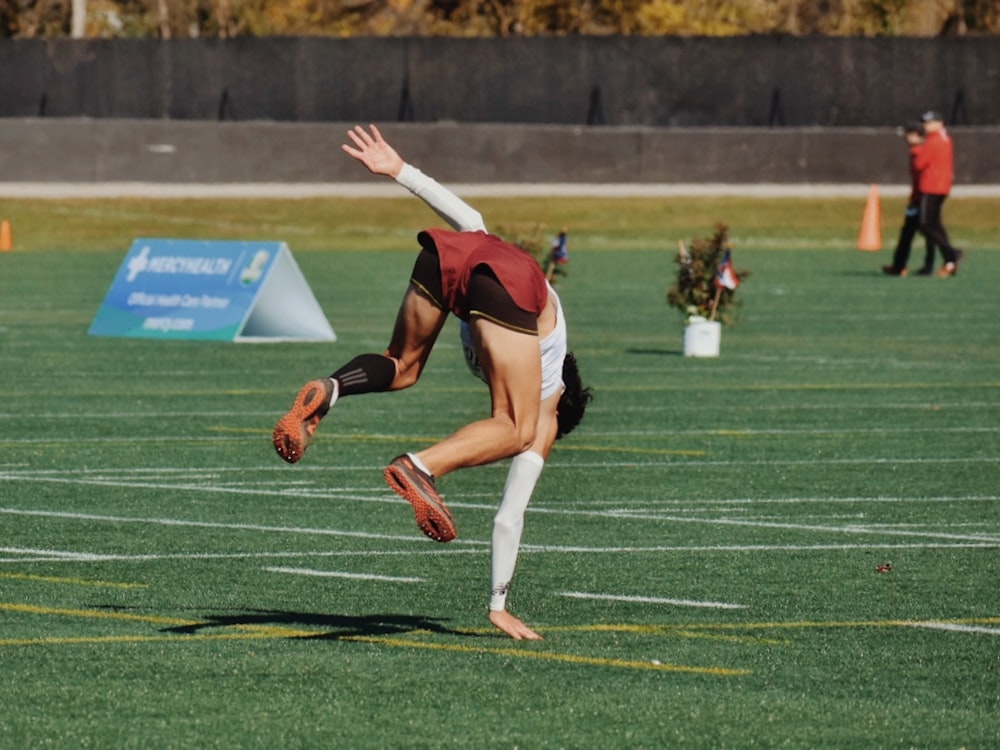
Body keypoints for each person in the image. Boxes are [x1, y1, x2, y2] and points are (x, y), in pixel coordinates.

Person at [272, 124, 592, 640]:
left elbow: (473, 223)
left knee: (401, 365)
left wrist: (399, 170)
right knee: (514, 427)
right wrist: (498, 604)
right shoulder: (547, 408)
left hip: (452, 254)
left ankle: (329, 390)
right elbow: (510, 516)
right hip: (508, 281)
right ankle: (420, 468)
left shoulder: (528, 356)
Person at [912, 111, 963, 278]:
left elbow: (920, 163)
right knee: (935, 225)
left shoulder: (933, 141)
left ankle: (951, 253)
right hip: (941, 187)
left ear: (940, 123)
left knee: (925, 223)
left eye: (929, 123)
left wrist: (917, 147)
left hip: (931, 186)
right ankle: (943, 262)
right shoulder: (945, 139)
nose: (926, 126)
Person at [883, 122, 937, 277]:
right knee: (910, 232)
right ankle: (900, 265)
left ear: (917, 135)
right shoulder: (915, 151)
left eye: (909, 134)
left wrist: (919, 197)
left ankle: (931, 264)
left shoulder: (921, 152)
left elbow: (924, 178)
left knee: (928, 231)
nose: (906, 137)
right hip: (918, 197)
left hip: (923, 197)